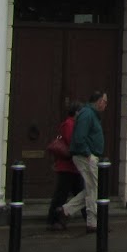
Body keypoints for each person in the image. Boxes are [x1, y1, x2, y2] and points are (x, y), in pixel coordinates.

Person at [61, 91, 107, 230]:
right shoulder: (87, 114)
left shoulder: (90, 114)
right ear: (98, 101)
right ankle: (93, 222)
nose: (106, 104)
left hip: (87, 155)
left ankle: (66, 210)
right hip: (85, 156)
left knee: (91, 188)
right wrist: (88, 154)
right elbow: (79, 137)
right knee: (94, 188)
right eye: (105, 101)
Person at [47, 98, 83, 230]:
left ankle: (92, 220)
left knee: (81, 194)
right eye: (81, 112)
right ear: (76, 112)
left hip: (73, 167)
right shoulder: (69, 124)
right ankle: (53, 220)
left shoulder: (73, 124)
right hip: (67, 166)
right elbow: (71, 141)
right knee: (63, 195)